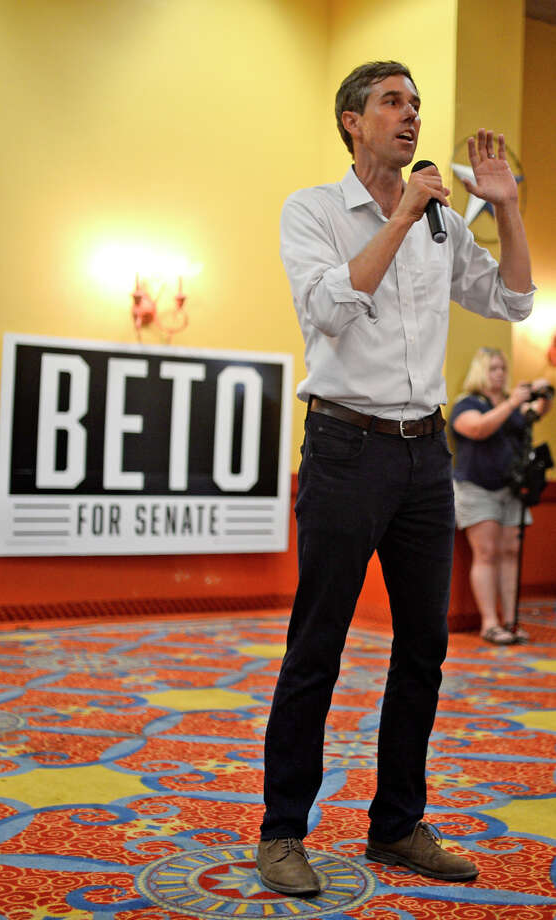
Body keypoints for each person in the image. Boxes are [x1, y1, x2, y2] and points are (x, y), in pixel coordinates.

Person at [256, 60, 535, 896]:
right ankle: (281, 833)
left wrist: (508, 209)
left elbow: (514, 302)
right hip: (344, 450)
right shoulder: (310, 210)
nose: (410, 116)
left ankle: (396, 825)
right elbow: (331, 311)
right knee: (318, 646)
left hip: (425, 461)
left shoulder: (445, 226)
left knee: (423, 648)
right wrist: (407, 211)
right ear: (351, 120)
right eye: (391, 102)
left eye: (415, 104)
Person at [450, 347, 552, 645]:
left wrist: (542, 391)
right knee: (486, 553)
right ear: (481, 371)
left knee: (510, 554)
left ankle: (510, 621)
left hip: (512, 489)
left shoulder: (513, 403)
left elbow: (537, 413)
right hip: (477, 488)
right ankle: (489, 623)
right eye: (493, 368)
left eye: (503, 368)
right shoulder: (467, 403)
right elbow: (478, 429)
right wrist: (511, 403)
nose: (500, 374)